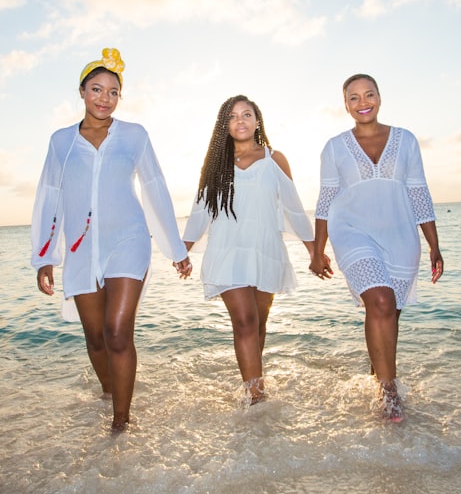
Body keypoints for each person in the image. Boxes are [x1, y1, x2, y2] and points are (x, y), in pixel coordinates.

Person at [31, 48, 192, 431]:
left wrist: (175, 248)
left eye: (113, 91)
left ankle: (121, 423)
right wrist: (44, 257)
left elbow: (155, 188)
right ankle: (109, 394)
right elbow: (48, 197)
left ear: (120, 97)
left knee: (119, 333)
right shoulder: (61, 142)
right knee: (97, 337)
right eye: (97, 89)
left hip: (129, 241)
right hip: (80, 249)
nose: (105, 98)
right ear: (82, 92)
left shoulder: (134, 136)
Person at [309, 74, 444, 422]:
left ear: (380, 98)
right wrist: (317, 249)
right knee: (380, 300)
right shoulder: (335, 147)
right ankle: (389, 393)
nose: (362, 102)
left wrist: (434, 245)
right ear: (345, 105)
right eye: (353, 97)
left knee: (389, 314)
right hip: (352, 230)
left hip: (400, 235)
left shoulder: (406, 140)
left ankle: (377, 373)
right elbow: (326, 199)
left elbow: (418, 192)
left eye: (368, 94)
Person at [182, 95, 330, 405]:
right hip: (227, 251)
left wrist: (314, 251)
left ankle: (253, 380)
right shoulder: (214, 164)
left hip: (266, 250)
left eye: (247, 114)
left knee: (259, 324)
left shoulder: (274, 159)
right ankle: (255, 398)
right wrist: (183, 249)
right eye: (233, 116)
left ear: (257, 120)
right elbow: (200, 211)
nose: (241, 120)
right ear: (224, 125)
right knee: (246, 321)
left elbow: (293, 207)